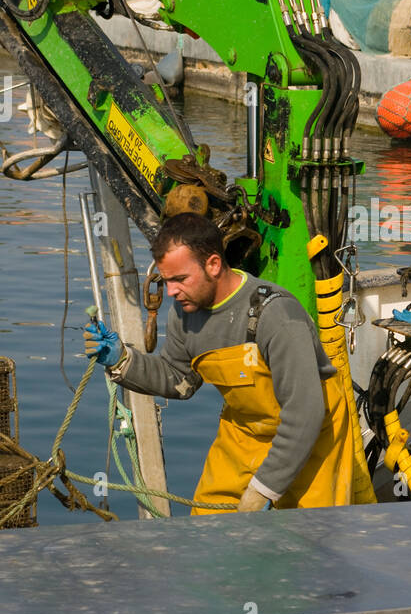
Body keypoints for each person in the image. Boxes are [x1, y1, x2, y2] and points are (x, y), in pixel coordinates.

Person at [84, 212, 359, 514]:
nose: (172, 291)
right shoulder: (184, 311)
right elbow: (179, 379)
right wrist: (122, 360)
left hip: (311, 435)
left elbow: (305, 413)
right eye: (166, 280)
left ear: (213, 264)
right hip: (244, 432)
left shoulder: (277, 315)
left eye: (180, 279)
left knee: (304, 546)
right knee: (209, 538)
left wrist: (263, 488)